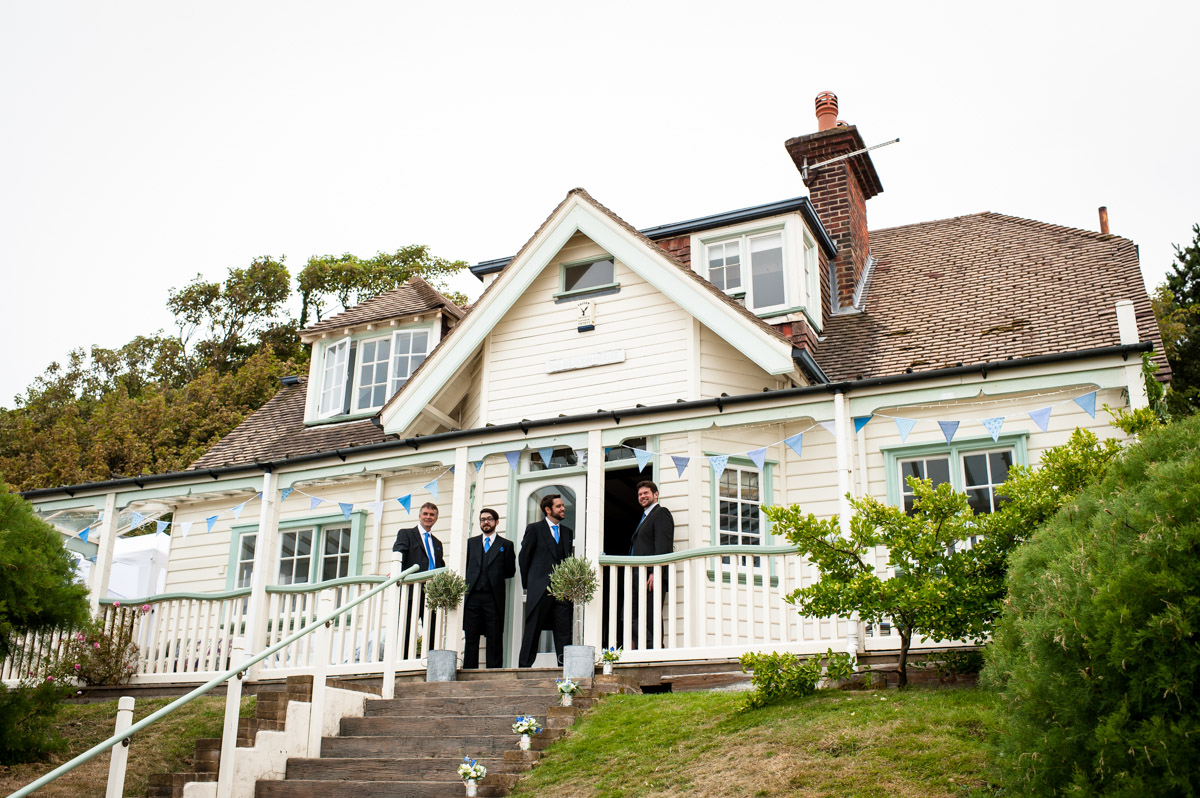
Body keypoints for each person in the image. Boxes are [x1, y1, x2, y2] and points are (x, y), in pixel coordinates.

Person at [518, 494, 573, 668]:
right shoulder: (534, 529)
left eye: (563, 505)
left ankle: (565, 670)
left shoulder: (567, 532)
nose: (563, 508)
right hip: (540, 589)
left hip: (562, 590)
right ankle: (524, 668)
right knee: (533, 630)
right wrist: (530, 585)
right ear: (548, 510)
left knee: (563, 631)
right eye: (559, 506)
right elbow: (524, 558)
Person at [462, 508, 516, 669]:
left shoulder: (505, 545)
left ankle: (494, 671)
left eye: (489, 519)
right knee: (471, 636)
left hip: (493, 597)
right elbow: (465, 567)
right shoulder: (471, 543)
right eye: (482, 519)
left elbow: (510, 571)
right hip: (473, 596)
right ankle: (469, 671)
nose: (486, 522)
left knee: (494, 635)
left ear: (496, 522)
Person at [392, 502, 445, 657]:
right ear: (420, 515)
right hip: (411, 590)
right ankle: (403, 660)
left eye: (432, 515)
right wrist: (395, 571)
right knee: (407, 627)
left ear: (436, 518)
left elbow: (439, 565)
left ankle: (429, 660)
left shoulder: (437, 543)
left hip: (432, 593)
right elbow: (399, 553)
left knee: (432, 628)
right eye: (426, 514)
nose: (428, 517)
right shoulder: (406, 534)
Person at [629, 480, 674, 649]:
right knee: (630, 615)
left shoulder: (661, 513)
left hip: (650, 574)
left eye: (646, 493)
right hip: (635, 574)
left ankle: (654, 649)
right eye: (640, 494)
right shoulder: (644, 517)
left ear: (656, 494)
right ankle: (648, 647)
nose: (642, 496)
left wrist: (656, 571)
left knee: (651, 615)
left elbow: (663, 545)